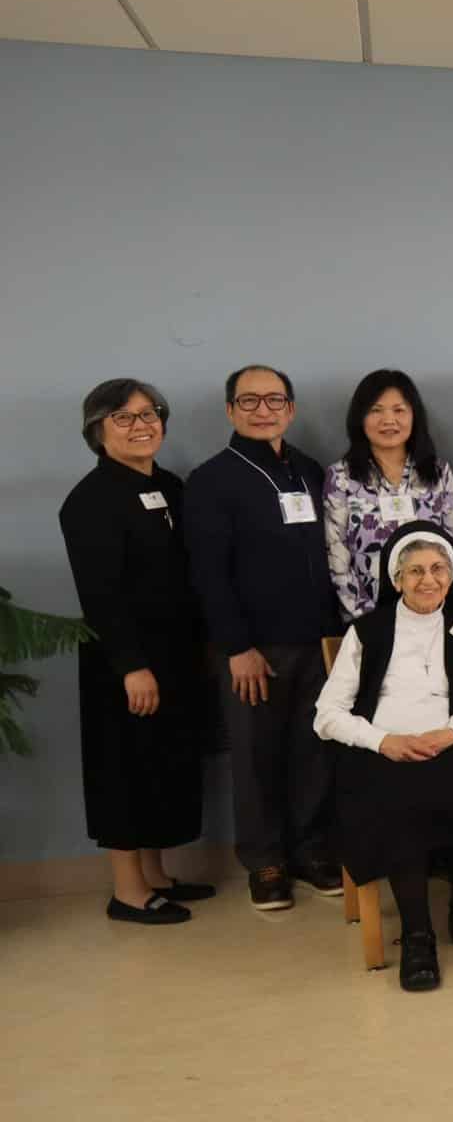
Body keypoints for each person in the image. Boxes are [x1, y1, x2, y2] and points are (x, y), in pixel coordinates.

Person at [184, 364, 341, 910]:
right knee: (255, 757)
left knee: (314, 751)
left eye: (274, 400)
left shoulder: (310, 471)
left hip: (318, 641)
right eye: (248, 401)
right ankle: (266, 862)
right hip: (254, 649)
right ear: (230, 410)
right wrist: (236, 648)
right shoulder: (211, 480)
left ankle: (311, 850)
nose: (262, 410)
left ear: (291, 409)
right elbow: (208, 574)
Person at [312, 522, 453, 991]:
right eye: (414, 571)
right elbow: (326, 715)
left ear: (451, 576)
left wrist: (449, 733)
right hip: (382, 747)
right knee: (397, 797)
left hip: (448, 744)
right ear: (396, 580)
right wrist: (383, 741)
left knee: (447, 783)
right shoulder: (367, 632)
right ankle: (417, 936)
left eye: (437, 569)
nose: (427, 580)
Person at [58, 379, 210, 924]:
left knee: (160, 762)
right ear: (97, 431)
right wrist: (131, 666)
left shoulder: (169, 485)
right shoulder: (90, 500)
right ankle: (127, 891)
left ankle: (155, 874)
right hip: (124, 661)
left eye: (150, 414)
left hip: (175, 653)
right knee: (123, 767)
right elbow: (101, 594)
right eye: (123, 418)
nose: (141, 425)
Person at [323, 369, 453, 624]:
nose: (389, 420)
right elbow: (336, 555)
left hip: (433, 614)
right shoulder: (341, 477)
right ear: (360, 418)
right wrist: (367, 618)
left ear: (414, 417)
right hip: (368, 619)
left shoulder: (437, 472)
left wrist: (438, 606)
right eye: (376, 410)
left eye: (399, 410)